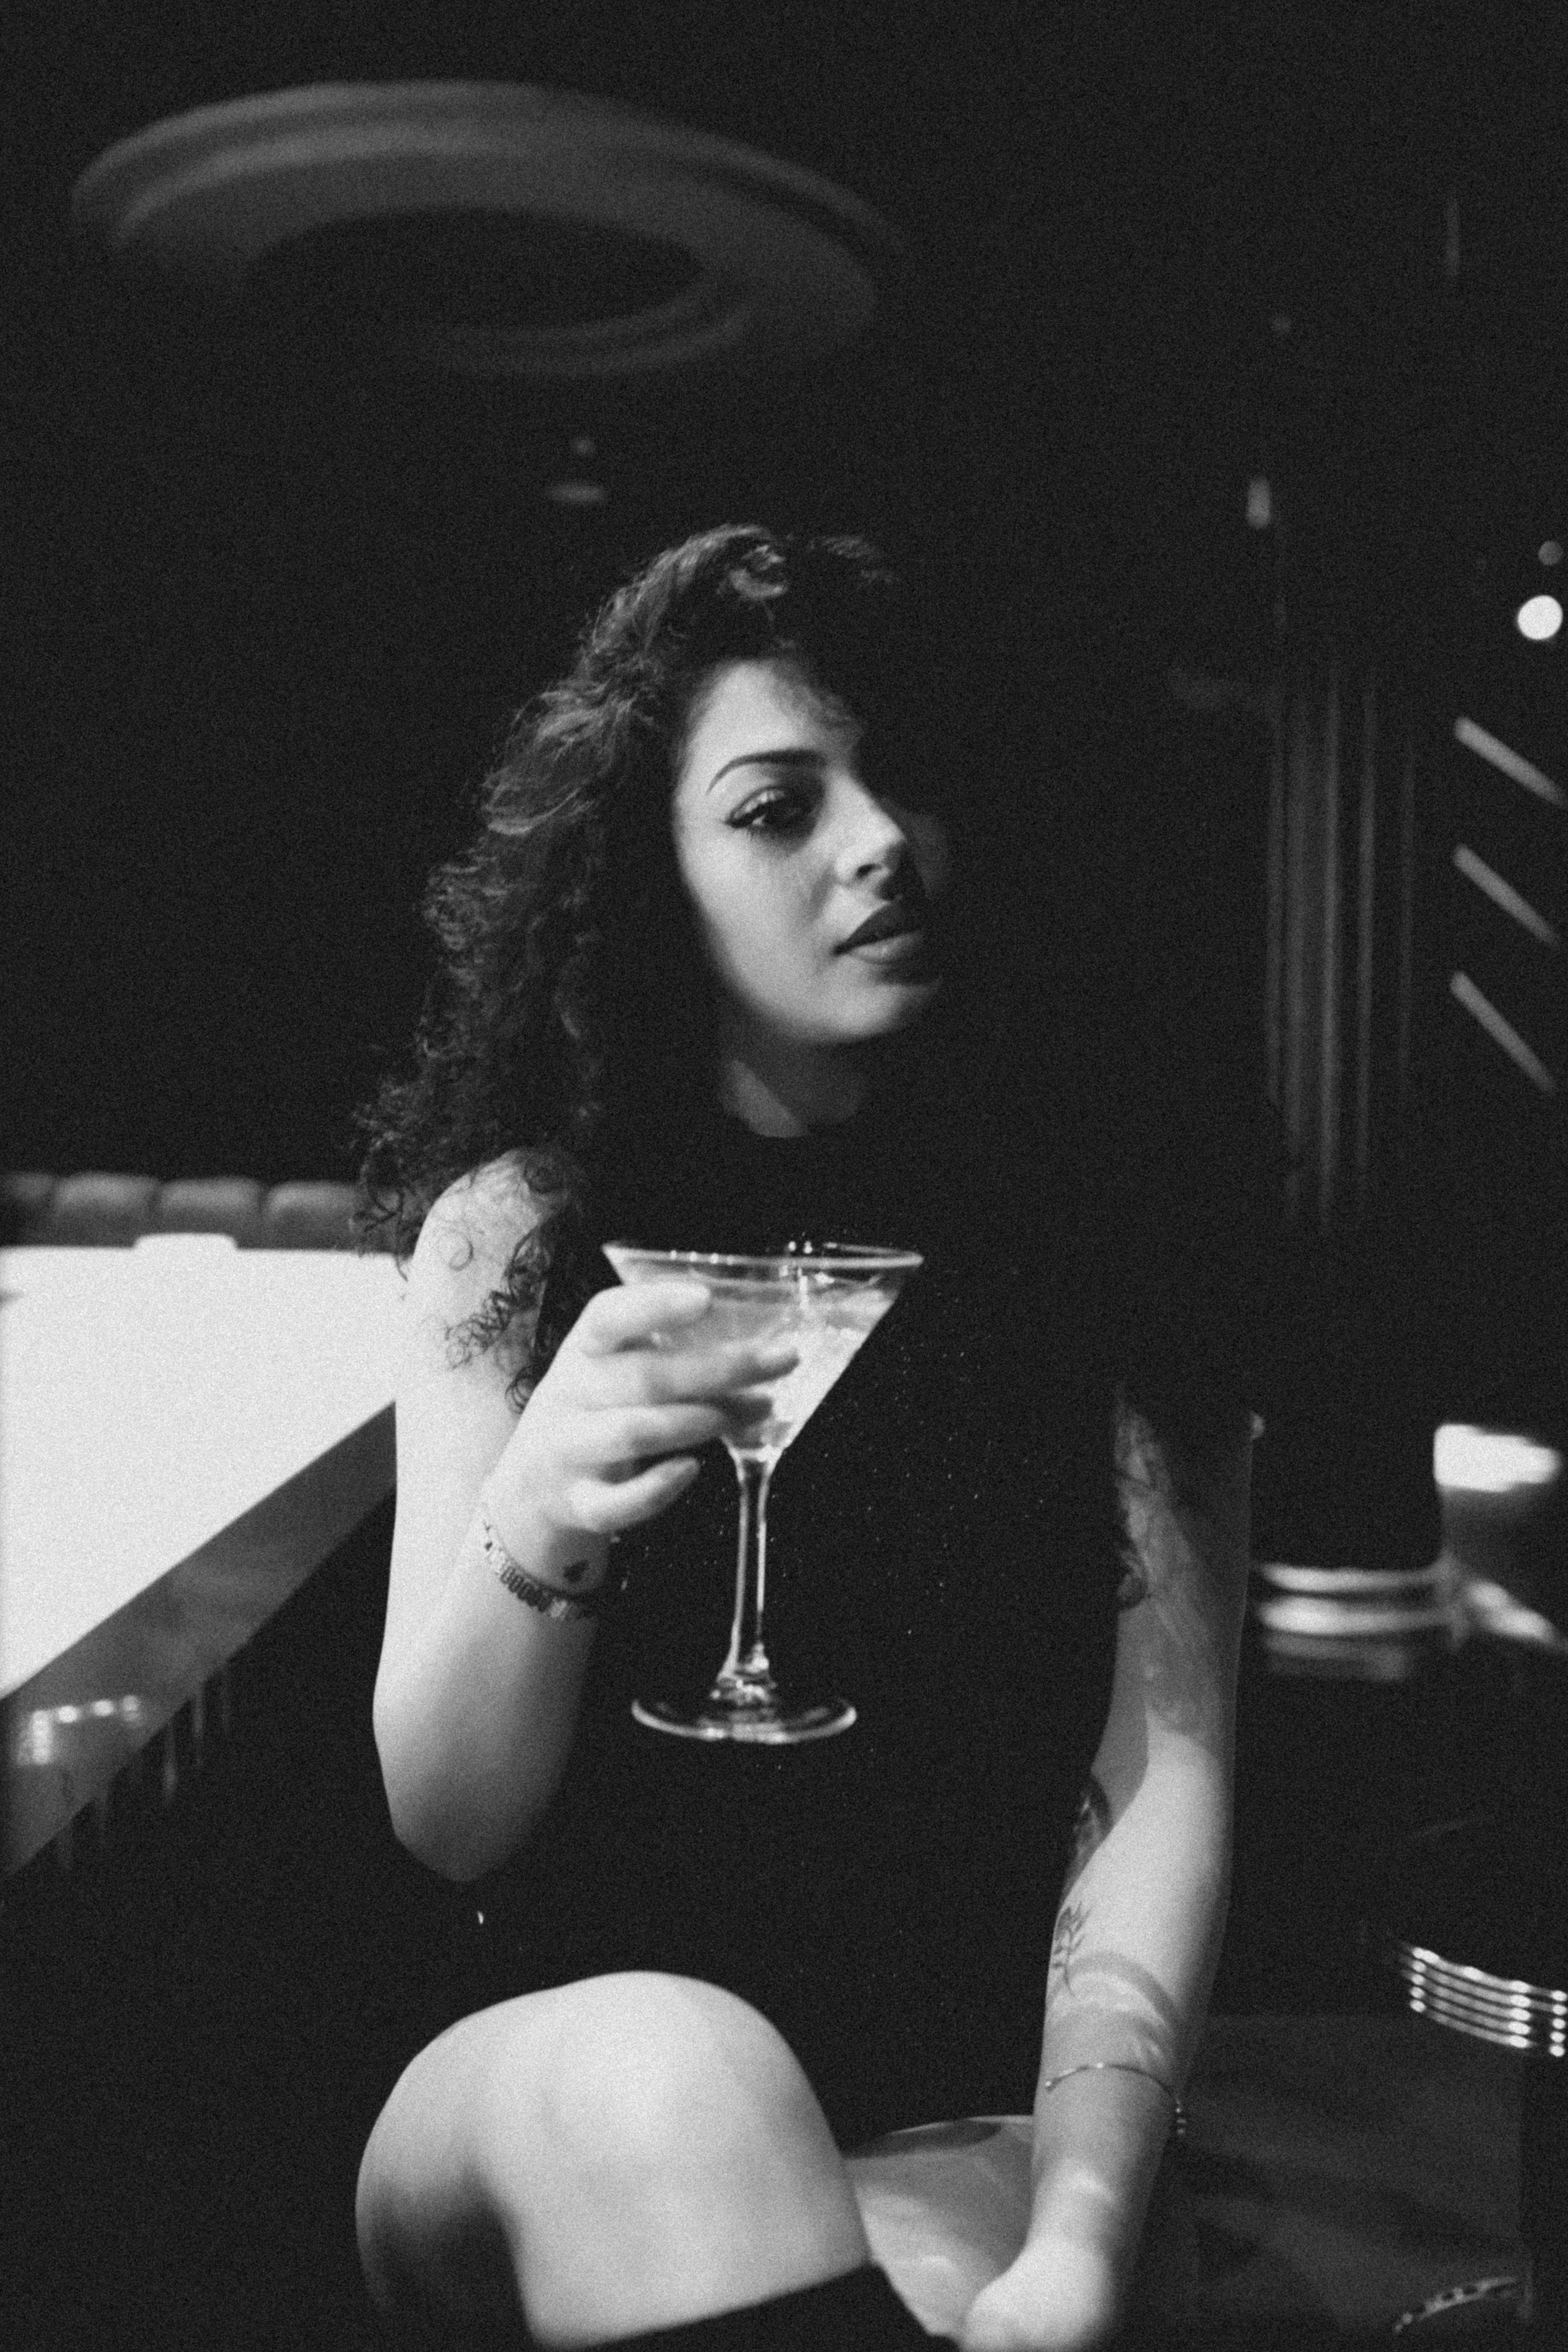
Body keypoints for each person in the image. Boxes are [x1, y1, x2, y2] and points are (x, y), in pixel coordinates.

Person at [352, 525, 1264, 2350]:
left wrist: (1078, 2234)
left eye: (901, 780)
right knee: (682, 2072)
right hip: (546, 2089)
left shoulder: (1108, 1245)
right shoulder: (524, 1237)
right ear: (655, 875)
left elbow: (1156, 1793)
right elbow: (448, 1827)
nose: (873, 845)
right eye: (777, 809)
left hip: (966, 2122)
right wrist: (537, 1519)